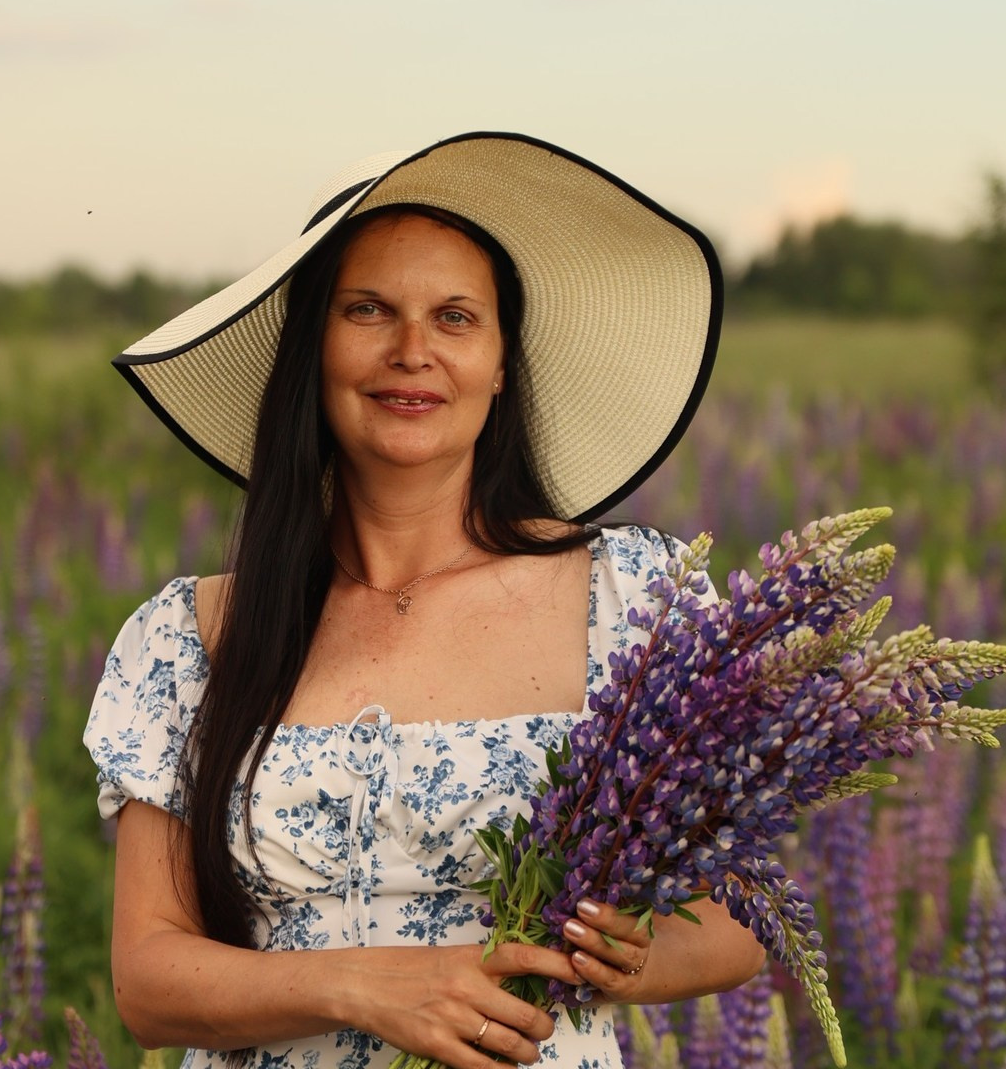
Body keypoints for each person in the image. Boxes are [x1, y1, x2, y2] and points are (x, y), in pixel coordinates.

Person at [84, 132, 766, 1069]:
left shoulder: (637, 600)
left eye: (455, 318)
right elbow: (150, 983)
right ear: (313, 351)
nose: (413, 351)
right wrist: (364, 982)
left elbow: (746, 916)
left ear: (499, 363)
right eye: (368, 310)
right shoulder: (189, 637)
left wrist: (632, 957)